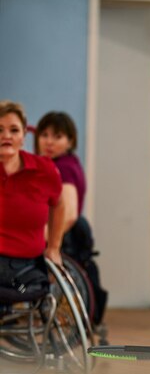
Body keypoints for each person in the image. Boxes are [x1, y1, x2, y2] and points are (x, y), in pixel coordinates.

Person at [34, 111, 108, 327]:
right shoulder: (60, 163)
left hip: (64, 237)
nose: (49, 141)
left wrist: (41, 240)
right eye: (44, 135)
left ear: (70, 141)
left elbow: (68, 214)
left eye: (57, 136)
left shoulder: (64, 168)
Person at [0, 101, 64, 298]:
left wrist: (54, 247)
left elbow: (58, 204)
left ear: (23, 135)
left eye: (14, 130)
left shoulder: (44, 170)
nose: (6, 136)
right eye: (0, 130)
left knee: (22, 289)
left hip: (23, 277)